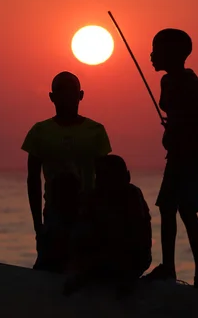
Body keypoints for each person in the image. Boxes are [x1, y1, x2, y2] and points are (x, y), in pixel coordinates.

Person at [145, 29, 198, 280]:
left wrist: (184, 125)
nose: (151, 55)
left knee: (187, 211)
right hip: (179, 152)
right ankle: (168, 267)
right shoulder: (166, 81)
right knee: (167, 207)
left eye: (156, 50)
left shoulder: (188, 80)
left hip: (194, 153)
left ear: (172, 54)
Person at [22, 71, 112, 272]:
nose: (66, 98)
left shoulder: (96, 131)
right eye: (61, 93)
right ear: (52, 97)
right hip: (54, 214)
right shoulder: (40, 131)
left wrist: (104, 218)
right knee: (50, 268)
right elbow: (33, 181)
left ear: (80, 95)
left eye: (71, 93)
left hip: (88, 213)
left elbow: (107, 179)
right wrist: (38, 225)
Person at [64, 155, 152, 296]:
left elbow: (139, 238)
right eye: (101, 176)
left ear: (126, 177)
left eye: (110, 176)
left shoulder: (133, 196)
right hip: (105, 258)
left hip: (129, 259)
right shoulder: (94, 198)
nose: (103, 181)